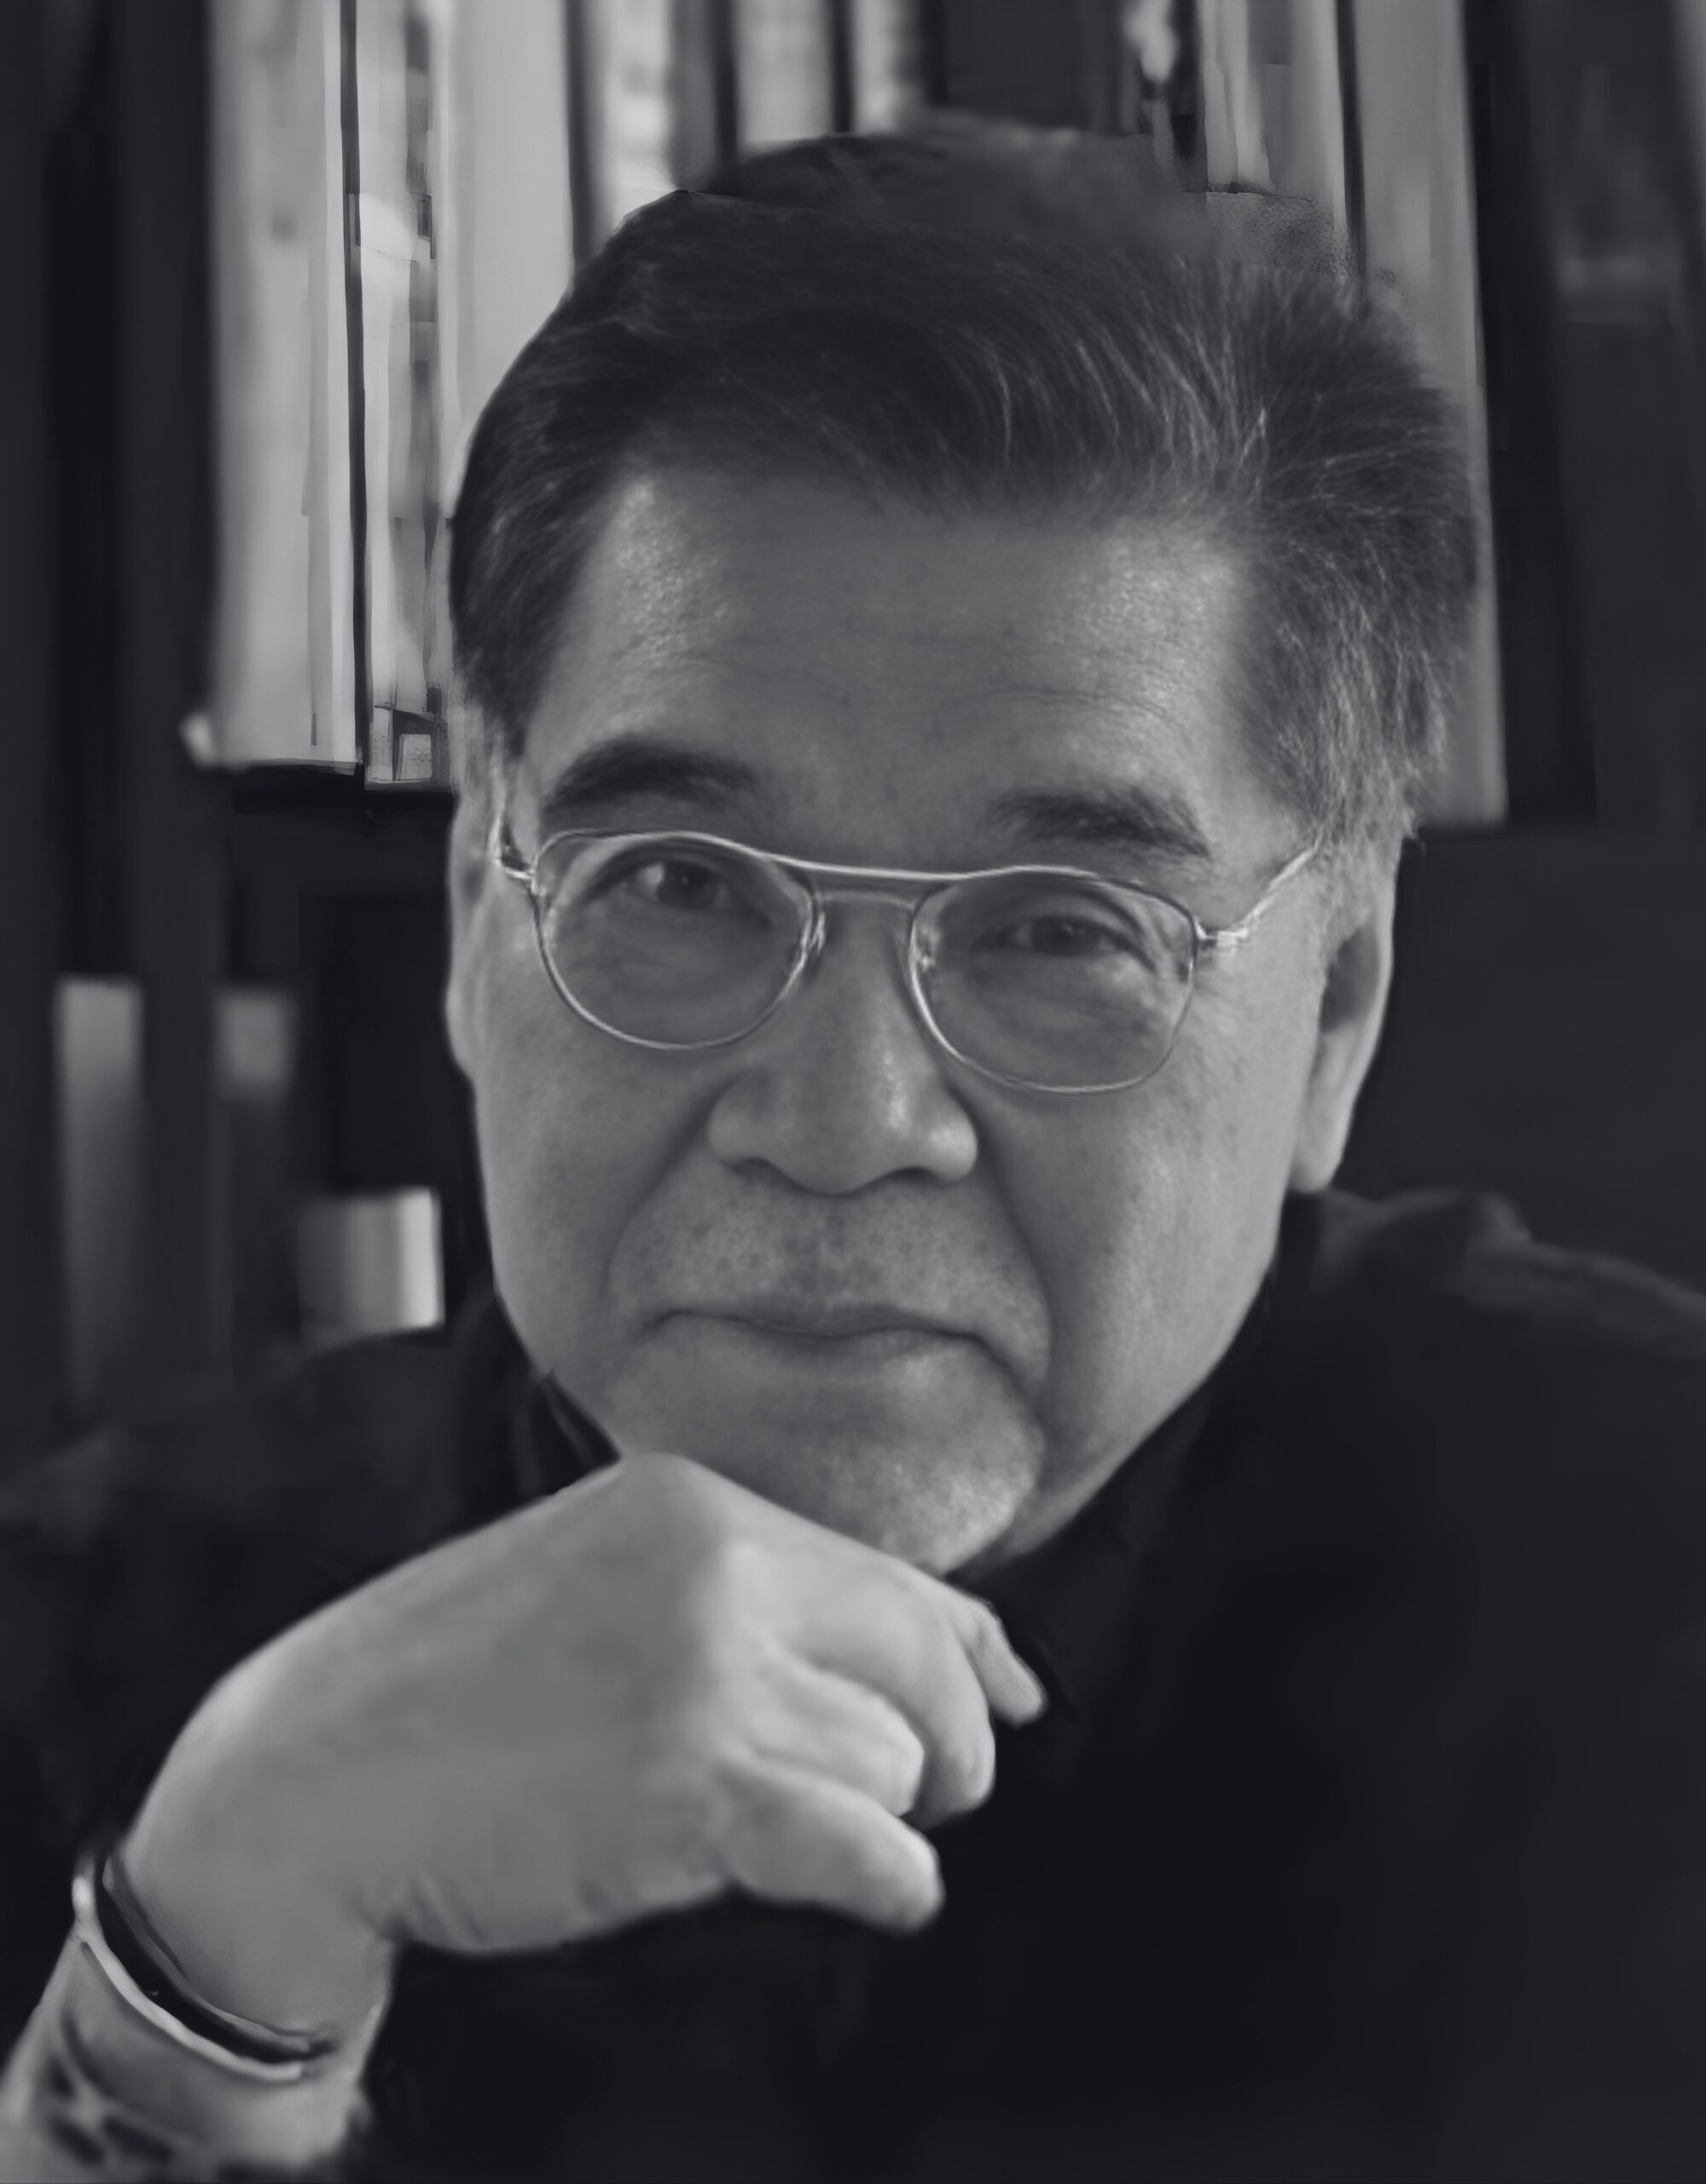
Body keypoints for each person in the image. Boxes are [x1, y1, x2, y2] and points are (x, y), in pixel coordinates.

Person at [3, 119, 1706, 2184]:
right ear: (476, 919)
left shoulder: (1646, 1617)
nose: (839, 1124)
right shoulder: (87, 1650)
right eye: (678, 885)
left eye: (1060, 931)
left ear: (1332, 1008)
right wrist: (207, 1947)